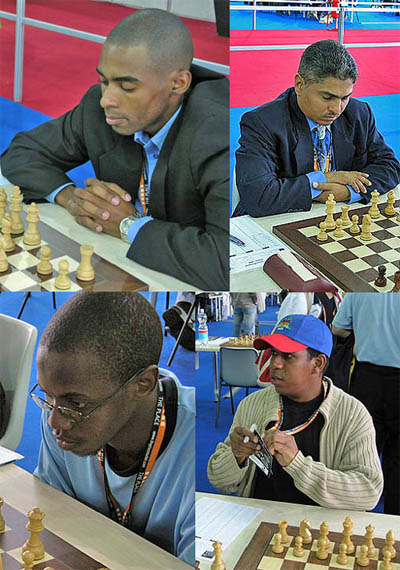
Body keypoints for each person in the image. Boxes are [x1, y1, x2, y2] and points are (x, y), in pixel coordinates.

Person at [1, 9, 229, 290]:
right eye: (104, 80)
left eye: (127, 87)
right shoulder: (97, 108)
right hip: (131, 269)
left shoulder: (218, 132)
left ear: (178, 84)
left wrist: (127, 225)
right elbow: (22, 152)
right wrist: (70, 197)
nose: (106, 99)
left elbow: (223, 260)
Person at [31, 292, 195, 565]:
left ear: (143, 383)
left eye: (78, 403)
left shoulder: (194, 449)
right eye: (47, 396)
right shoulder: (60, 413)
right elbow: (51, 517)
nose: (55, 422)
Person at [207, 314, 383, 510]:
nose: (275, 364)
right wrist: (236, 456)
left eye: (288, 355)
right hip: (255, 520)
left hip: (316, 530)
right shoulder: (251, 404)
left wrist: (297, 464)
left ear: (318, 364)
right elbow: (218, 480)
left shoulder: (352, 414)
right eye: (274, 353)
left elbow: (368, 492)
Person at [233, 39, 400, 217]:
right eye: (327, 97)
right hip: (276, 222)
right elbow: (258, 197)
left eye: (345, 98)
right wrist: (322, 181)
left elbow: (389, 167)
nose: (337, 109)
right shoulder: (262, 123)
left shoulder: (359, 113)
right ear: (299, 85)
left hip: (337, 216)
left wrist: (346, 192)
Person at [332, 293, 400, 516]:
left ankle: (354, 516)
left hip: (366, 378)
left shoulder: (358, 285)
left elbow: (339, 329)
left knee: (361, 449)